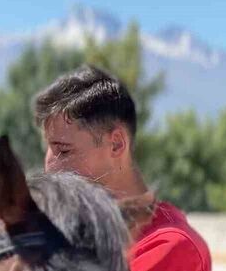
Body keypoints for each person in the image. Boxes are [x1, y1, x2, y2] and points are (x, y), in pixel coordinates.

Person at [33, 65, 212, 271]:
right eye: (48, 148)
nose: (50, 167)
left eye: (64, 151)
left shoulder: (170, 248)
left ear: (116, 144)